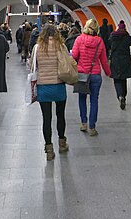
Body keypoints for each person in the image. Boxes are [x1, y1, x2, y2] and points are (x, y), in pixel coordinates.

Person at [31, 23, 71, 161]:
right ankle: (62, 142)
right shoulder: (61, 46)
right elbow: (67, 63)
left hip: (43, 87)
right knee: (60, 115)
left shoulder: (37, 48)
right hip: (59, 86)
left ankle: (48, 149)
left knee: (46, 119)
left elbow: (31, 66)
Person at [71, 18, 111, 136]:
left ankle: (84, 123)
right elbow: (104, 60)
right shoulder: (99, 41)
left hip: (82, 74)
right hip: (95, 75)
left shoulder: (79, 39)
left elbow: (74, 55)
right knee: (94, 100)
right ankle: (92, 127)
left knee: (82, 98)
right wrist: (108, 73)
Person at [108, 21, 131, 109]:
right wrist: (126, 33)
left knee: (117, 79)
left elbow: (109, 44)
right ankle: (124, 96)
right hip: (125, 60)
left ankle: (120, 96)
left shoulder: (113, 36)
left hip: (115, 60)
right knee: (124, 79)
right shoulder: (126, 37)